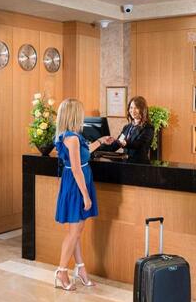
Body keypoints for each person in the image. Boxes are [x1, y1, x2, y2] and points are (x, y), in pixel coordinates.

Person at [53, 98, 101, 291]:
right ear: (74, 115)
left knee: (76, 231)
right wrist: (86, 196)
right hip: (77, 186)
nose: (83, 117)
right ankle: (61, 271)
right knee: (74, 232)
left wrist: (100, 141)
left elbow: (84, 152)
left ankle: (80, 269)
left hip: (76, 183)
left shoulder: (70, 136)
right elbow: (76, 169)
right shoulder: (72, 139)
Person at [99, 96, 155, 164]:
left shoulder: (148, 128)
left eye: (136, 108)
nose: (132, 110)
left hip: (139, 165)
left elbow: (139, 144)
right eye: (131, 107)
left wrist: (126, 143)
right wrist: (101, 145)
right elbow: (117, 144)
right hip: (126, 164)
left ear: (142, 109)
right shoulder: (127, 127)